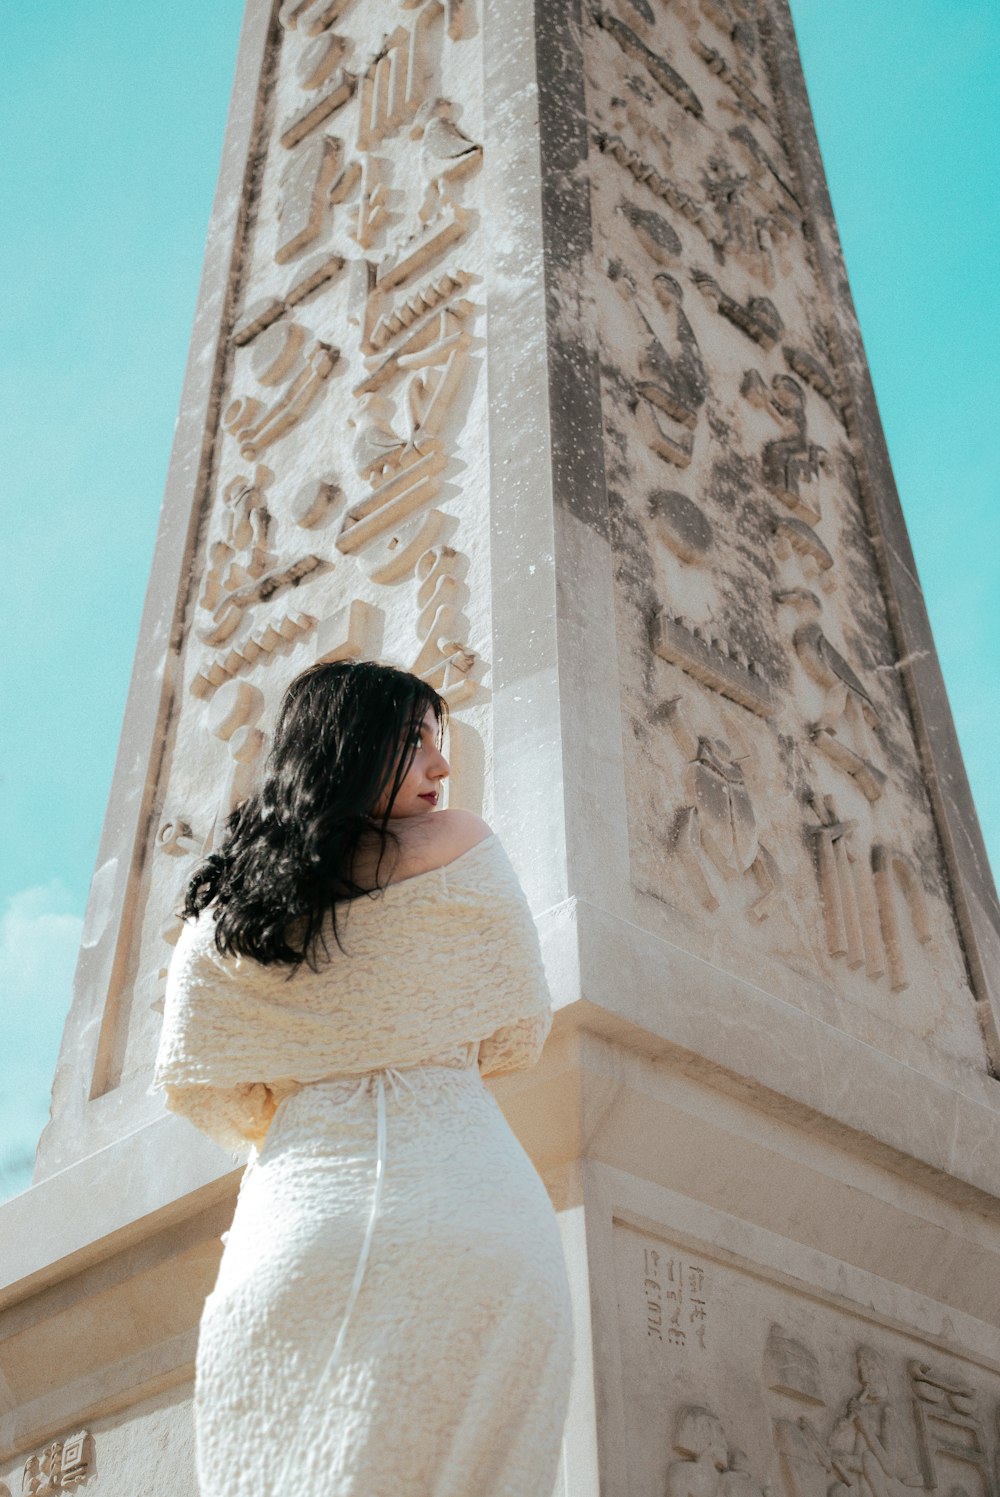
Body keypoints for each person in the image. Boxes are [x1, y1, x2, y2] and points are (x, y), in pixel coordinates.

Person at [149, 659, 574, 1497]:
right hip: (470, 1203)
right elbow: (516, 1029)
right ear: (349, 747)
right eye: (413, 741)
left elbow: (209, 1086)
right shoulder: (460, 844)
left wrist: (313, 1063)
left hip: (296, 1222)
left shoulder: (222, 914)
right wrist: (417, 1037)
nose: (441, 766)